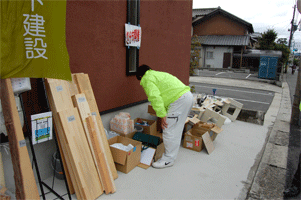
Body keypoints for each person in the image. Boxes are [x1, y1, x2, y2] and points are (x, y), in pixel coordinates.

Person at [136, 64, 193, 169]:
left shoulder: (147, 79)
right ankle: (172, 155)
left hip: (178, 101)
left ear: (140, 76)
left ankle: (168, 160)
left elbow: (155, 97)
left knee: (168, 130)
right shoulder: (158, 75)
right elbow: (166, 95)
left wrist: (162, 116)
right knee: (176, 129)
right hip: (187, 97)